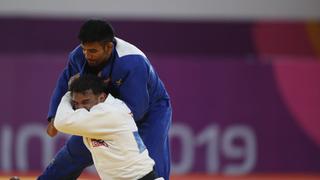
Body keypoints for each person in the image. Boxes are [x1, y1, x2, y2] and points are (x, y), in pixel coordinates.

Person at [38, 19, 172, 180]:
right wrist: (54, 117)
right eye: (84, 49)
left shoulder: (132, 63)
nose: (87, 55)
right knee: (74, 152)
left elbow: (136, 110)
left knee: (149, 159)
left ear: (109, 47)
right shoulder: (79, 55)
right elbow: (66, 84)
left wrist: (93, 122)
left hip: (150, 110)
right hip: (104, 107)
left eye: (93, 51)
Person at [54, 75, 159, 180]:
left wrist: (68, 95)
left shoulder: (108, 113)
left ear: (101, 98)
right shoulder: (110, 107)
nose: (80, 108)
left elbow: (60, 122)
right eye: (76, 103)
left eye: (86, 102)